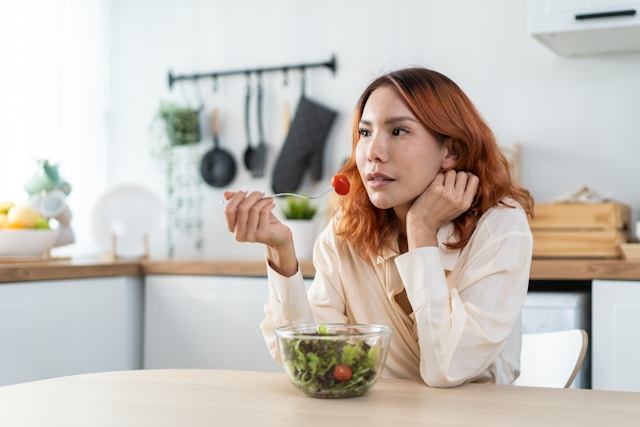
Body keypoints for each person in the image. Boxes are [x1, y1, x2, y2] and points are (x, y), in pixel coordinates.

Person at [223, 67, 534, 388]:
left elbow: (447, 369)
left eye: (398, 131)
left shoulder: (500, 226)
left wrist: (421, 228)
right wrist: (281, 250)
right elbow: (309, 358)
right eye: (365, 133)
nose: (372, 152)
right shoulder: (348, 228)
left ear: (450, 151)